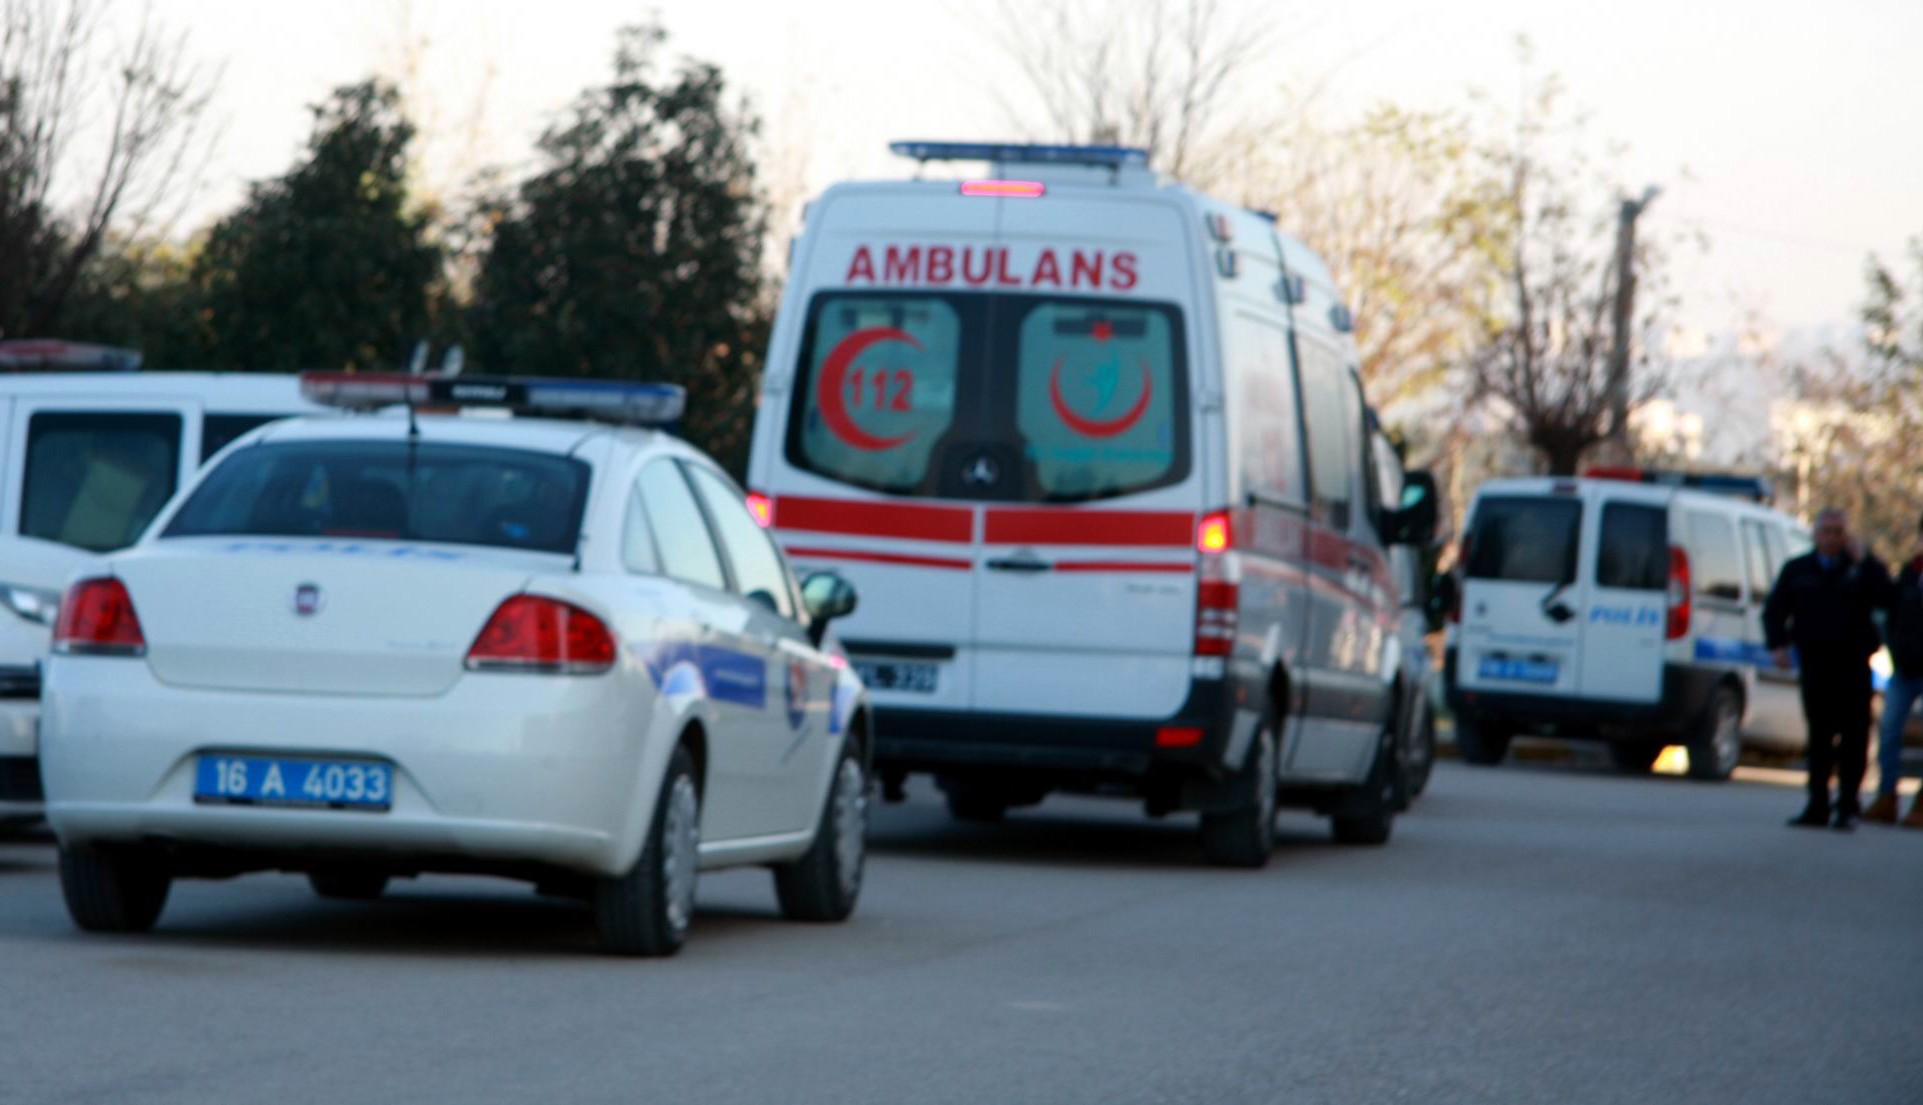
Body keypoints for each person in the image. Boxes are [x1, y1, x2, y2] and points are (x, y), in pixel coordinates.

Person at [1762, 508, 1892, 831]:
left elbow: (1888, 598)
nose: (1832, 538)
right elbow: (1775, 610)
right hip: (1816, 665)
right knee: (1819, 738)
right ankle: (1817, 804)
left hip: (1854, 666)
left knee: (1854, 739)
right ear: (1816, 535)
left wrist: (1865, 562)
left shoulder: (1861, 569)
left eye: (1838, 532)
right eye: (1827, 531)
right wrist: (1777, 644)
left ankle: (1847, 805)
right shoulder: (1798, 570)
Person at [1864, 511, 1923, 827]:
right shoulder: (1908, 574)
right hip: (1905, 669)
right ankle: (1887, 797)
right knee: (1888, 731)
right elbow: (1888, 608)